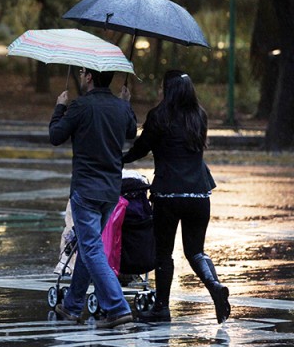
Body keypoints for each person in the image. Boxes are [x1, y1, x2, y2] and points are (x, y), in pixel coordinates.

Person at [123, 70, 230, 324]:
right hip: (199, 194)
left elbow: (140, 148)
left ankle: (161, 308)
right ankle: (214, 286)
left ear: (168, 90)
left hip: (169, 194)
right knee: (196, 252)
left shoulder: (159, 117)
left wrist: (118, 160)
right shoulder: (199, 117)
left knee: (164, 254)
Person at [49, 68, 137, 328]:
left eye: (84, 71)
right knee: (89, 248)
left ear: (89, 77)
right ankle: (73, 305)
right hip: (110, 191)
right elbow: (131, 132)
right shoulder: (120, 107)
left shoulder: (80, 106)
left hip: (86, 190)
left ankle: (118, 307)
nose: (80, 73)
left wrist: (59, 107)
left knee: (91, 249)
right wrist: (127, 104)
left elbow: (56, 136)